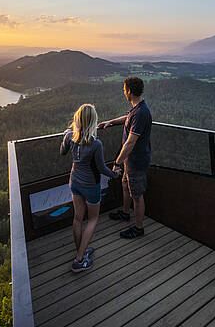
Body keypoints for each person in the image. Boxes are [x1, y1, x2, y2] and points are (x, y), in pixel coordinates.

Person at [60, 103, 121, 272]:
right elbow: (101, 168)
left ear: (77, 120)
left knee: (78, 218)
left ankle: (81, 251)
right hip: (90, 186)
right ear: (93, 122)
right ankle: (79, 260)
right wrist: (115, 174)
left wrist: (65, 135)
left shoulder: (70, 136)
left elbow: (62, 152)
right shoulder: (96, 144)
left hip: (75, 182)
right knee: (93, 219)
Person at [99, 76, 152, 239]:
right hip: (130, 161)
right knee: (125, 186)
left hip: (136, 161)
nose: (123, 92)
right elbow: (127, 118)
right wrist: (111, 121)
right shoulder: (136, 109)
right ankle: (125, 213)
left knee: (137, 195)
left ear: (129, 91)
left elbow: (130, 143)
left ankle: (138, 228)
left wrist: (117, 162)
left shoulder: (141, 112)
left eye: (124, 90)